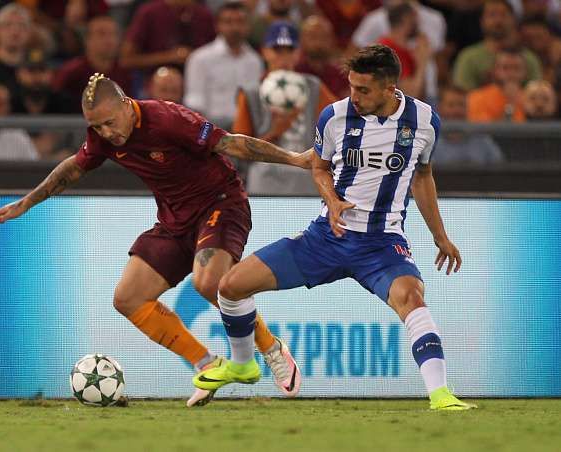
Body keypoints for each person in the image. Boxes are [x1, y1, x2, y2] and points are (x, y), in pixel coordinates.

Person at [0, 73, 310, 407]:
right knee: (128, 298)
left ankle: (271, 349)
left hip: (221, 203)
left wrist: (295, 159)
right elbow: (73, 169)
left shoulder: (168, 119)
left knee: (209, 282)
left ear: (126, 105)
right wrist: (26, 202)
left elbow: (233, 143)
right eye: (96, 127)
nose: (106, 133)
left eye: (109, 123)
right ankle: (207, 363)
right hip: (173, 221)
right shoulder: (102, 136)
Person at [194, 45, 477, 411]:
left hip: (382, 244)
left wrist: (441, 236)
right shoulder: (334, 117)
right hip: (326, 238)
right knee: (230, 287)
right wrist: (332, 201)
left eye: (363, 90)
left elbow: (423, 175)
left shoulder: (424, 121)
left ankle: (441, 396)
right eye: (351, 87)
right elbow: (319, 166)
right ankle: (243, 363)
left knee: (413, 299)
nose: (353, 97)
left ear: (390, 87)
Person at [233, 21, 336, 195]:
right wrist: (275, 132)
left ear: (298, 53)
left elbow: (338, 126)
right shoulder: (251, 92)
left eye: (290, 50)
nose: (284, 57)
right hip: (265, 183)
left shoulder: (314, 86)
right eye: (277, 50)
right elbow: (239, 149)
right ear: (265, 52)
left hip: (308, 181)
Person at [183, 1, 263, 130]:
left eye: (240, 22)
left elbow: (256, 106)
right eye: (228, 22)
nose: (235, 28)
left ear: (248, 26)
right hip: (210, 129)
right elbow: (194, 104)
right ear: (217, 26)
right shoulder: (200, 58)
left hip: (246, 131)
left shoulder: (255, 61)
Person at [452, 0, 541, 91]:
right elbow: (461, 96)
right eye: (492, 15)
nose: (498, 20)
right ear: (482, 21)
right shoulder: (468, 58)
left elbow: (536, 94)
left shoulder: (529, 59)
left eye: (503, 15)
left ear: (513, 20)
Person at [432, 85, 504, 167]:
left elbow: (500, 169)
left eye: (461, 105)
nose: (457, 111)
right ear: (440, 108)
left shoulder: (482, 139)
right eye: (451, 105)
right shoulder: (430, 144)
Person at [467, 47, 527, 122]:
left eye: (516, 68)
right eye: (505, 68)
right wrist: (510, 104)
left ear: (525, 72)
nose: (511, 74)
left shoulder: (531, 99)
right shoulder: (477, 98)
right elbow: (486, 130)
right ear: (495, 70)